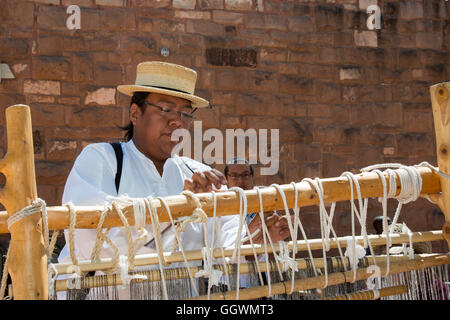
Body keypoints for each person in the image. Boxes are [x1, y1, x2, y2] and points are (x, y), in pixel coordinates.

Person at [58, 61, 287, 298]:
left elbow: (226, 240)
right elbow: (91, 242)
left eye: (185, 114)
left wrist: (254, 243)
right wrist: (179, 210)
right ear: (135, 113)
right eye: (166, 110)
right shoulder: (103, 160)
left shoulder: (198, 173)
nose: (177, 122)